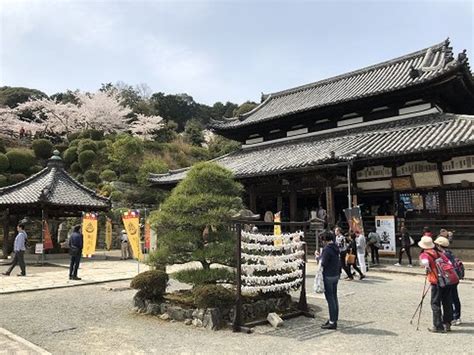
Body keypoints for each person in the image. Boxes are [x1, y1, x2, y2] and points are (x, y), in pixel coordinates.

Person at [419, 236, 453, 333]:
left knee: (435, 303)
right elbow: (449, 262)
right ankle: (447, 324)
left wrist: (427, 268)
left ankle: (438, 326)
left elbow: (425, 262)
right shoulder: (438, 252)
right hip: (447, 280)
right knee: (447, 302)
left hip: (436, 281)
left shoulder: (425, 254)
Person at [434, 236, 462, 326]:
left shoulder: (442, 254)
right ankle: (456, 316)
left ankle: (454, 317)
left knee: (449, 299)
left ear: (438, 245)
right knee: (455, 297)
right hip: (455, 277)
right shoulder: (450, 253)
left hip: (448, 278)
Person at [319, 231, 341, 330]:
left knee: (330, 299)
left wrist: (317, 256)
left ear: (325, 240)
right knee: (334, 298)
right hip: (335, 274)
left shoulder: (327, 249)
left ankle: (332, 322)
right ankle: (334, 319)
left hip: (328, 275)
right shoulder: (335, 247)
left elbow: (323, 263)